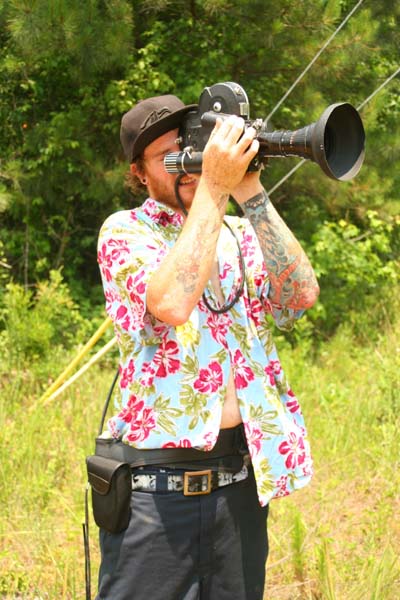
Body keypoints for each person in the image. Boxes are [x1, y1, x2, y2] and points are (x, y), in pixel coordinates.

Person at [96, 93, 320, 600]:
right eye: (168, 156)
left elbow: (299, 295)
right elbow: (172, 302)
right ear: (138, 173)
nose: (187, 163)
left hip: (240, 485)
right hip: (156, 495)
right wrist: (215, 188)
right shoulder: (125, 231)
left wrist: (250, 190)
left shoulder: (239, 232)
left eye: (190, 147)